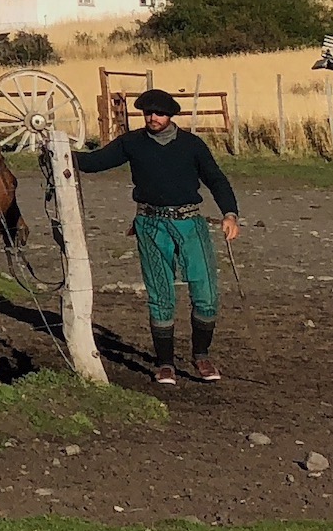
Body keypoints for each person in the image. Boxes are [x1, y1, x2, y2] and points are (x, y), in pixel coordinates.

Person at [71, 88, 241, 383]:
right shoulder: (132, 143)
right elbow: (94, 162)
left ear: (170, 115)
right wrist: (58, 153)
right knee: (160, 294)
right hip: (150, 225)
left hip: (190, 224)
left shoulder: (192, 145)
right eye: (148, 113)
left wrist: (230, 214)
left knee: (206, 293)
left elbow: (216, 179)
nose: (153, 117)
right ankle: (165, 364)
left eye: (159, 113)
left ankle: (201, 356)